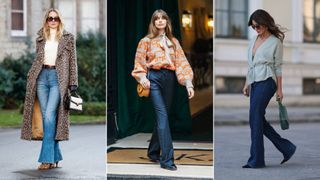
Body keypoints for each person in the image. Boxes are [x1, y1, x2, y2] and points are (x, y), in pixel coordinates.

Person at [131, 9, 194, 171]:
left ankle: (153, 152)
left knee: (163, 116)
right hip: (154, 79)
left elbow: (181, 62)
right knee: (162, 116)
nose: (160, 21)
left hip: (170, 79)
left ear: (167, 21)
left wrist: (188, 83)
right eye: (156, 19)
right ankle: (167, 159)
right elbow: (139, 62)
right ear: (153, 22)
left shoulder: (174, 41)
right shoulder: (145, 41)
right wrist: (143, 78)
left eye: (162, 18)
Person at [21, 8, 78, 170]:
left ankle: (46, 159)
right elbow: (37, 59)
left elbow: (73, 62)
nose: (53, 21)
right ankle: (56, 155)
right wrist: (30, 74)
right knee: (47, 118)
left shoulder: (68, 38)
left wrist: (73, 83)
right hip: (41, 77)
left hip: (57, 80)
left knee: (48, 116)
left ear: (60, 20)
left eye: (56, 18)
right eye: (50, 18)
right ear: (46, 20)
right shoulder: (40, 38)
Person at [242, 9, 296, 168]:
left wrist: (280, 89)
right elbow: (250, 65)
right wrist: (247, 83)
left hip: (267, 81)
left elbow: (278, 68)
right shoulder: (253, 40)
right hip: (254, 81)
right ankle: (286, 147)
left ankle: (256, 160)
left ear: (265, 23)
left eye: (258, 26)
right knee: (256, 118)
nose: (256, 29)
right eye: (253, 27)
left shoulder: (275, 42)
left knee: (254, 118)